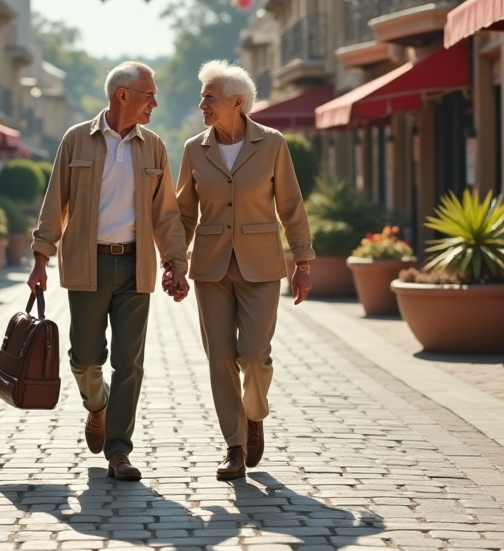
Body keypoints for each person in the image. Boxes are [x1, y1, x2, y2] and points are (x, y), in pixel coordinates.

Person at [29, 61, 189, 482]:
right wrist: (40, 259)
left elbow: (166, 215)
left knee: (129, 363)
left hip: (136, 265)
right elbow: (54, 203)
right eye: (149, 95)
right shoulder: (76, 140)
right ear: (123, 96)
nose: (154, 103)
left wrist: (176, 264)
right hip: (88, 263)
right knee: (84, 358)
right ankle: (96, 405)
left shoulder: (153, 147)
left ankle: (119, 450)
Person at [169, 59, 313, 481]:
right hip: (211, 269)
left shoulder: (272, 144)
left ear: (237, 102)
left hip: (261, 266)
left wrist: (303, 261)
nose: (202, 105)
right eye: (202, 98)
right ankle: (234, 445)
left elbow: (291, 205)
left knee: (253, 354)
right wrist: (175, 263)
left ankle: (255, 414)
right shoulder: (194, 149)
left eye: (209, 98)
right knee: (219, 358)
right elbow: (184, 213)